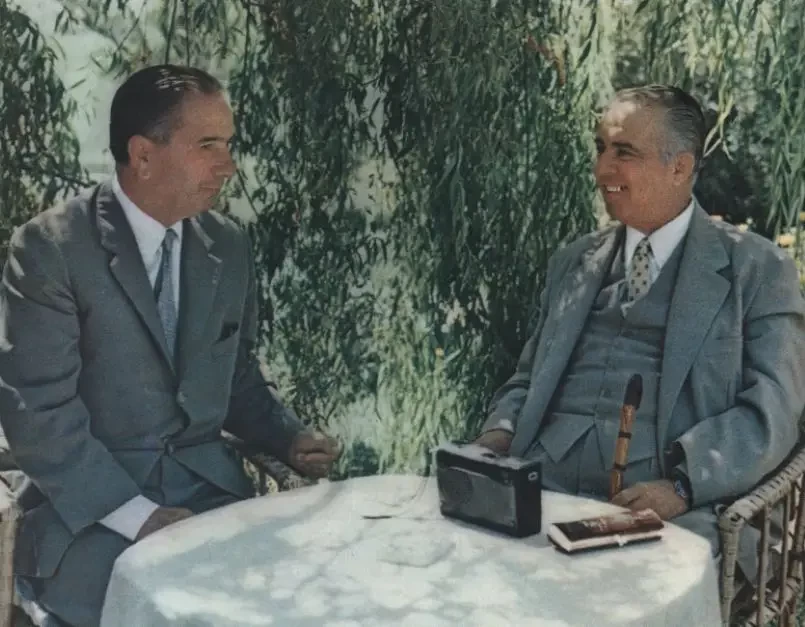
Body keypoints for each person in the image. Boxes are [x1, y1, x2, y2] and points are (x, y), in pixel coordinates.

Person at [0, 64, 340, 627]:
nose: (228, 166)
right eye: (208, 146)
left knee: (303, 601)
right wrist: (139, 518)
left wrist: (288, 436)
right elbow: (38, 415)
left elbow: (235, 380)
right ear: (143, 154)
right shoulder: (49, 249)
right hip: (91, 519)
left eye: (228, 145)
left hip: (212, 500)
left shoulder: (228, 246)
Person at [477, 85, 805, 575]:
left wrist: (682, 486)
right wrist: (495, 437)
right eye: (601, 149)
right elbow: (527, 379)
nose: (602, 170)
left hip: (670, 512)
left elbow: (771, 410)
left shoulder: (757, 270)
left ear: (680, 167)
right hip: (540, 489)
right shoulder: (574, 262)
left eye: (624, 153)